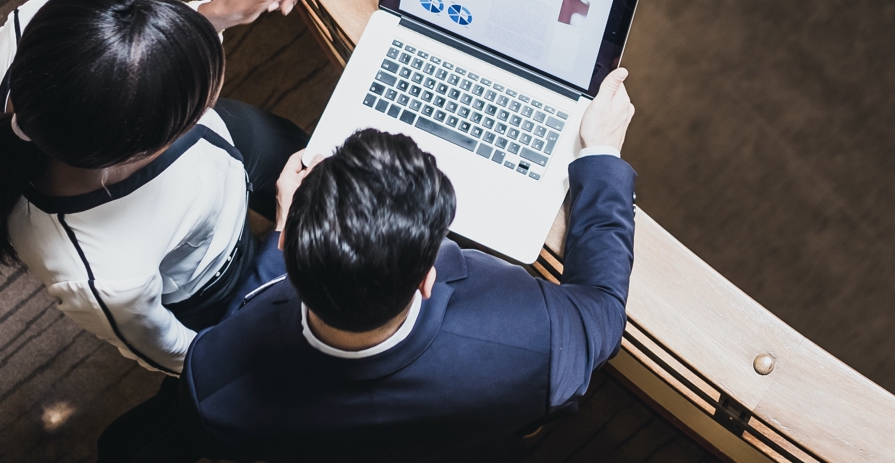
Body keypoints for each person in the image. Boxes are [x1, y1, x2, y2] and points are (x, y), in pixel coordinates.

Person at [174, 67, 637, 463]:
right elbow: (602, 306)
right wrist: (600, 152)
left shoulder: (213, 384)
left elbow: (240, 324)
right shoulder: (537, 340)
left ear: (288, 255)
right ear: (426, 280)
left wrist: (284, 232)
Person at [0, 0, 320, 377]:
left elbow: (125, 55)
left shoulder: (31, 24)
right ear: (139, 147)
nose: (214, 93)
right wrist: (283, 243)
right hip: (213, 271)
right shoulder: (105, 277)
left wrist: (220, 11)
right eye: (198, 106)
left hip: (232, 145)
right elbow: (196, 360)